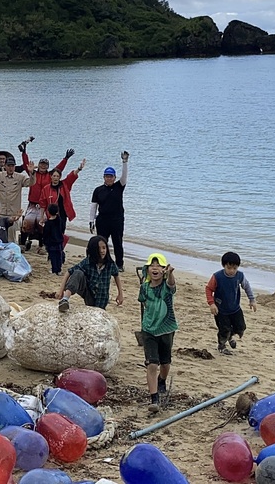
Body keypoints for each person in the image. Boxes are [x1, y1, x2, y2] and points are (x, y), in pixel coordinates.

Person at [138, 253, 177, 414]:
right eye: (151, 266)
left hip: (167, 329)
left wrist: (171, 274)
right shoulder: (144, 287)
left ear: (163, 270)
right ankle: (154, 398)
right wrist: (148, 321)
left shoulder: (166, 287)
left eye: (158, 266)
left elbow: (171, 284)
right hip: (148, 330)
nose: (155, 268)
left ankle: (162, 380)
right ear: (147, 270)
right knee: (152, 363)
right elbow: (144, 303)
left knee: (165, 364)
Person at [20, 138, 72, 249]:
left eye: (45, 165)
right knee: (27, 221)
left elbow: (59, 169)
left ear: (48, 167)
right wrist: (24, 152)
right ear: (38, 165)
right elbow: (26, 164)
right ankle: (23, 243)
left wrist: (65, 158)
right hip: (32, 203)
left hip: (45, 206)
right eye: (41, 164)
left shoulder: (50, 176)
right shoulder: (33, 174)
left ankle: (42, 245)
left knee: (42, 223)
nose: (43, 166)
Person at [205, 251, 257, 354]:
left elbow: (246, 286)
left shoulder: (240, 276)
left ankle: (230, 336)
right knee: (224, 329)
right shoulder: (217, 276)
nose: (232, 271)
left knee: (241, 327)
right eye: (229, 268)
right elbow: (209, 289)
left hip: (235, 308)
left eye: (235, 268)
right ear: (224, 266)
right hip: (220, 309)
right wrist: (211, 303)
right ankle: (222, 345)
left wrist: (252, 300)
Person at [57, 235, 124, 311]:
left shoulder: (110, 264)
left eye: (104, 248)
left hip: (102, 298)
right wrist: (61, 291)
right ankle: (65, 300)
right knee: (78, 273)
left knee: (99, 311)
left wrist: (120, 294)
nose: (102, 251)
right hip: (89, 294)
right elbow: (68, 272)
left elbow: (116, 275)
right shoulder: (87, 262)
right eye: (99, 249)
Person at [90, 151, 130, 271]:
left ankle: (119, 265)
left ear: (114, 177)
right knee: (101, 243)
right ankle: (102, 261)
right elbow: (93, 206)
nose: (109, 178)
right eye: (107, 176)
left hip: (117, 219)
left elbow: (124, 176)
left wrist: (125, 162)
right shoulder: (98, 190)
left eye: (111, 176)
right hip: (102, 220)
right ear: (104, 177)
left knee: (118, 243)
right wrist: (91, 221)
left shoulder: (119, 186)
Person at [0, 153, 32, 242]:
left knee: (11, 239)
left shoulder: (20, 177)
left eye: (12, 166)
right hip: (0, 213)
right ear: (5, 166)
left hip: (13, 214)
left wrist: (32, 173)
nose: (11, 168)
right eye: (9, 166)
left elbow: (31, 182)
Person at [38, 159, 86, 251]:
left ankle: (60, 248)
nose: (56, 178)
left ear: (60, 177)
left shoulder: (65, 185)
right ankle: (51, 247)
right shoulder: (46, 189)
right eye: (54, 176)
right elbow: (43, 204)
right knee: (51, 232)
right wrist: (42, 216)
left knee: (60, 232)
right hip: (50, 215)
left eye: (57, 176)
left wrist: (79, 168)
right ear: (51, 177)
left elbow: (72, 176)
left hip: (62, 214)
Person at [43, 203, 65, 275]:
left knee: (53, 256)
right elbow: (62, 228)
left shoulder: (48, 223)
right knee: (59, 256)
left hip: (51, 242)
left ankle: (54, 269)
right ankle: (59, 270)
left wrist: (45, 242)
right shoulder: (59, 220)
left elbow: (45, 233)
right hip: (59, 241)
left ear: (48, 212)